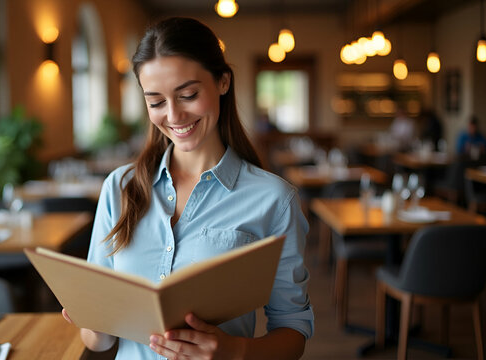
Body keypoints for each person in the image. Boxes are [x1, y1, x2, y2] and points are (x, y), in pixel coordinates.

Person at [62, 17, 313, 359]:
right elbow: (100, 342)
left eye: (188, 95)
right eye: (156, 102)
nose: (174, 116)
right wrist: (93, 324)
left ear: (223, 81)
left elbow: (293, 332)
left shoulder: (274, 200)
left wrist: (233, 351)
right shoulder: (119, 188)